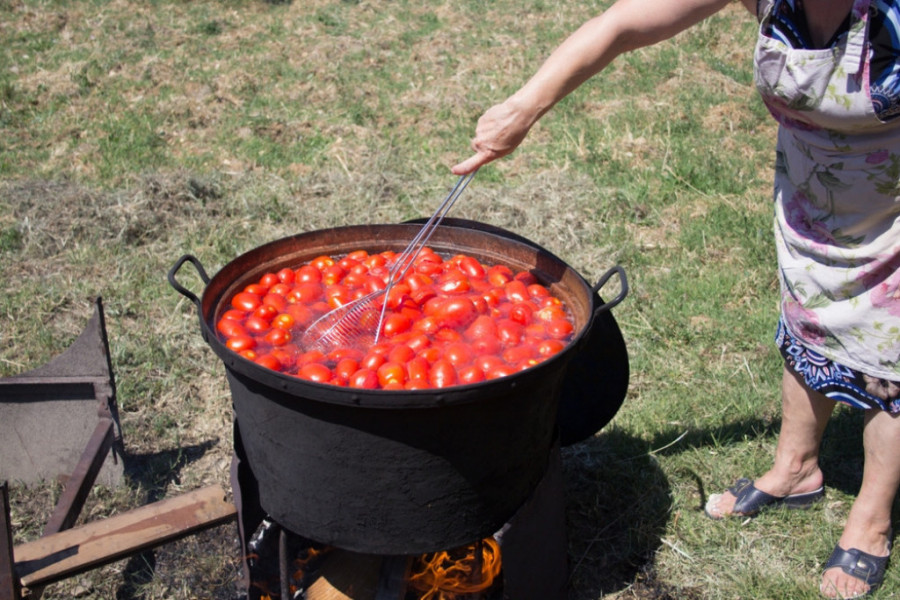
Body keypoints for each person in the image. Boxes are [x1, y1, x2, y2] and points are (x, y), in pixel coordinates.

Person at [451, 0, 900, 598]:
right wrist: (521, 108)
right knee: (805, 320)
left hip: (892, 210)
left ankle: (871, 520)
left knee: (888, 364)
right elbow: (621, 25)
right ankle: (797, 469)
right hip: (810, 195)